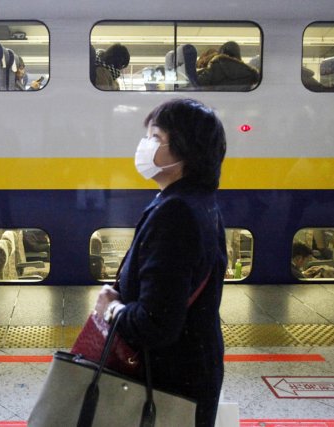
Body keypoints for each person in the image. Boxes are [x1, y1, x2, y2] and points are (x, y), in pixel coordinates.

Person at [94, 98, 228, 427]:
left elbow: (156, 324)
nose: (145, 145)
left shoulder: (176, 212)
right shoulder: (199, 201)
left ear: (184, 151)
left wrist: (110, 309)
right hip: (192, 372)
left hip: (169, 385)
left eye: (155, 137)